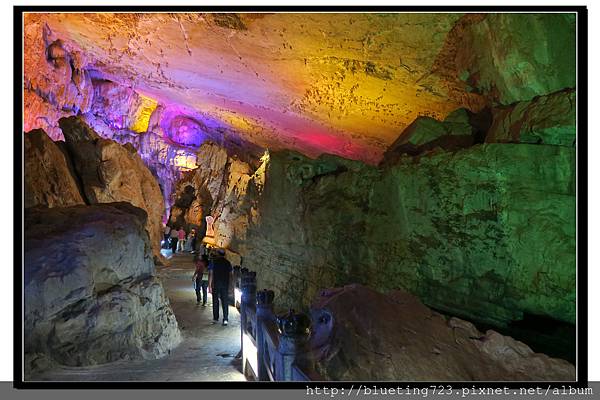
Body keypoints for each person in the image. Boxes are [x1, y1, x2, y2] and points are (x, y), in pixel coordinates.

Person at [208, 248, 233, 326]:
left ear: (218, 254)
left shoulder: (213, 262)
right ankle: (225, 319)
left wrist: (209, 285)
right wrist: (231, 286)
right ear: (224, 254)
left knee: (215, 301)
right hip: (225, 285)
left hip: (216, 284)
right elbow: (231, 275)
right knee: (225, 302)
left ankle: (215, 318)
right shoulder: (228, 263)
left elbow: (211, 274)